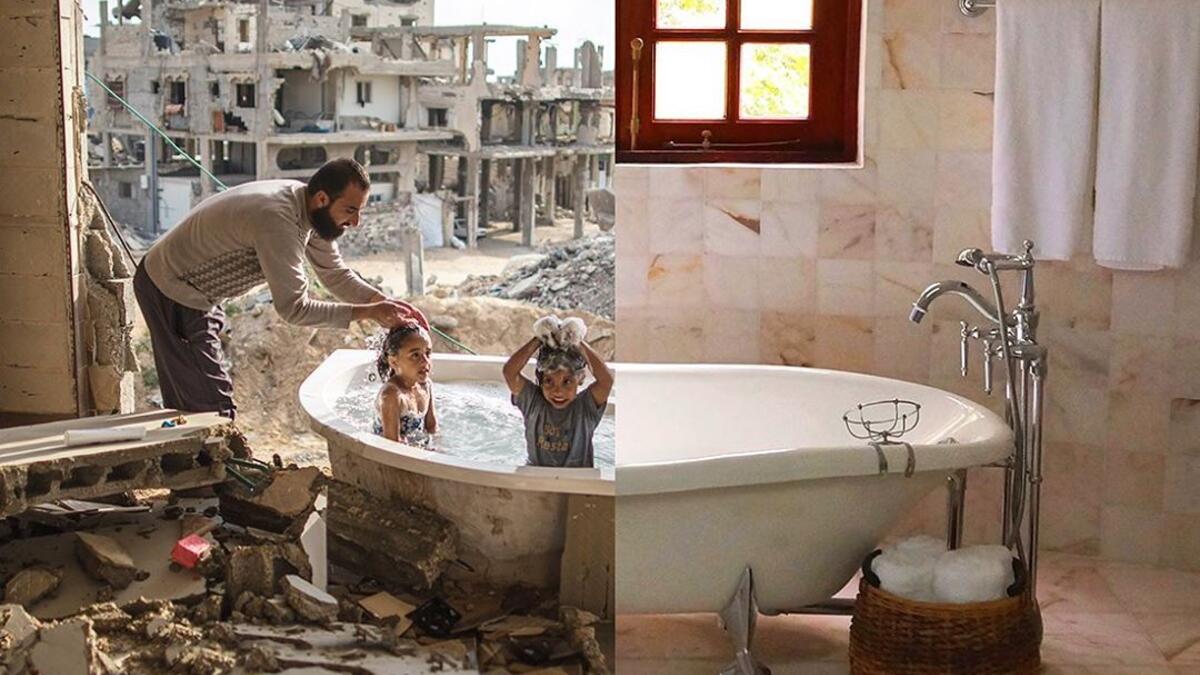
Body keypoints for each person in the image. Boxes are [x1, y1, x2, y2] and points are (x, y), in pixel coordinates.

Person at [133, 159, 425, 419]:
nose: (355, 222)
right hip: (172, 288)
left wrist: (387, 305)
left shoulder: (310, 207)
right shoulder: (278, 220)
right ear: (322, 198)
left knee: (201, 401)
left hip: (201, 294)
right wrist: (369, 313)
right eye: (350, 211)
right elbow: (293, 308)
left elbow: (335, 274)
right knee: (210, 408)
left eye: (359, 212)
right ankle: (208, 478)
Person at [502, 316, 613, 468]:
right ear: (540, 380)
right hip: (538, 478)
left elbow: (606, 380)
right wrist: (539, 339)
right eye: (549, 381)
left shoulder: (585, 407)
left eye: (567, 382)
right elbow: (509, 372)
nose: (558, 391)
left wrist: (578, 342)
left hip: (578, 481)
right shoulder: (533, 402)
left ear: (579, 379)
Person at [373, 321, 437, 447]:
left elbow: (432, 427)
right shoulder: (391, 395)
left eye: (428, 353)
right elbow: (392, 447)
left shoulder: (425, 385)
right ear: (394, 362)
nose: (425, 362)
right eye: (415, 355)